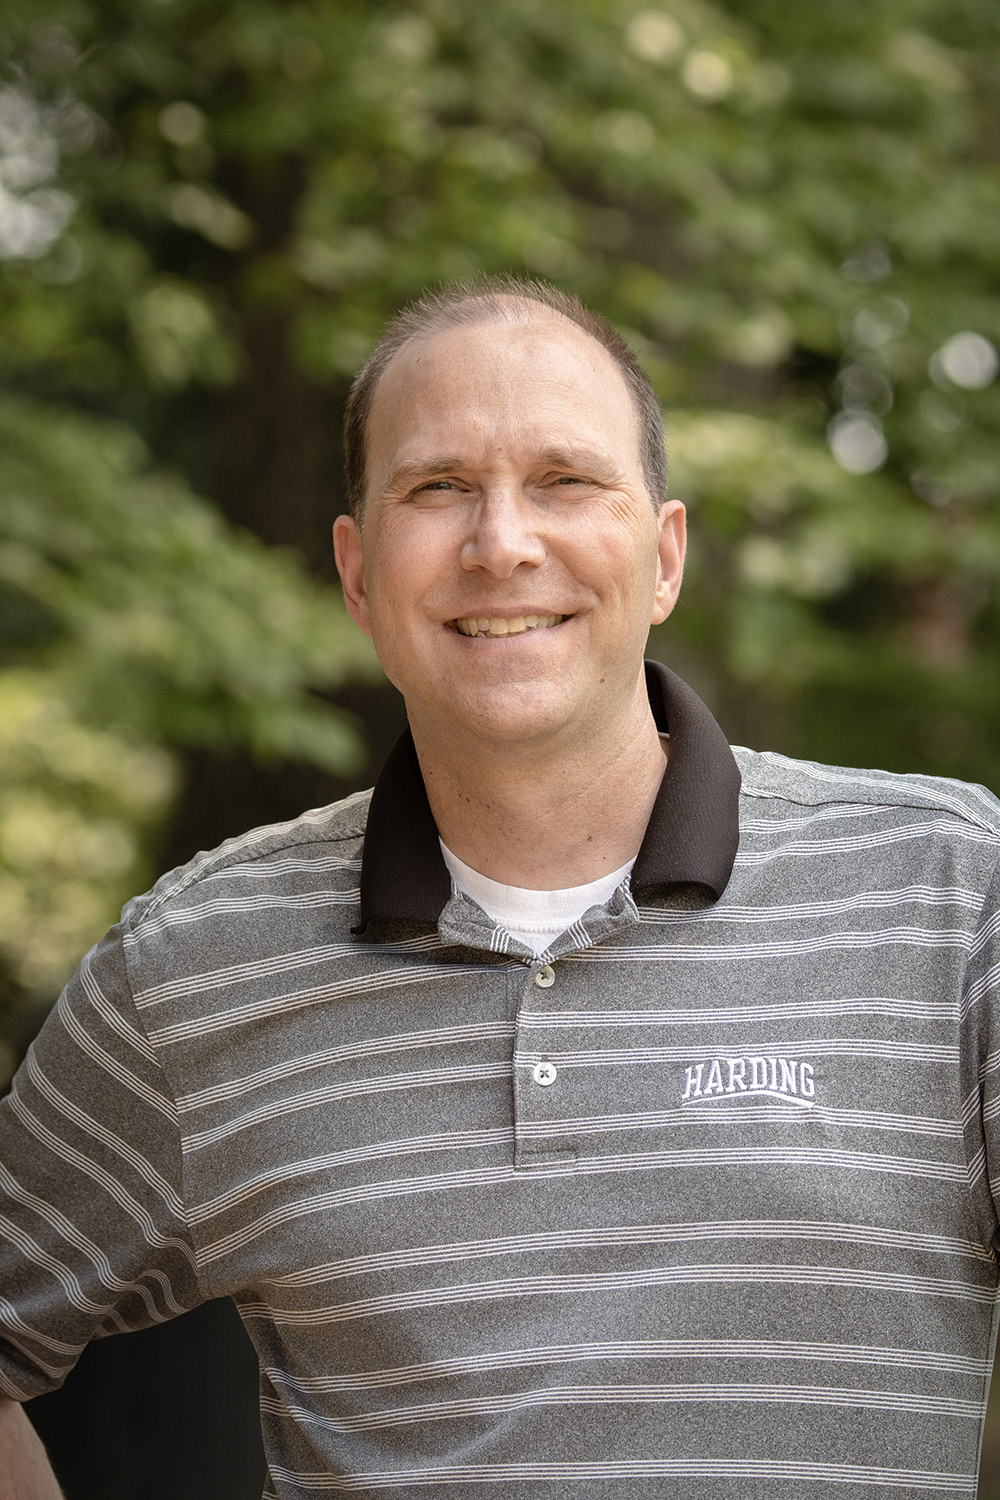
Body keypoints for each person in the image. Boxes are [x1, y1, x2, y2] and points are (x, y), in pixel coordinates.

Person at [2, 276, 1000, 1500]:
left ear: (665, 554)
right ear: (359, 572)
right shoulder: (194, 970)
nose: (502, 544)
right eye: (438, 489)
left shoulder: (951, 897)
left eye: (565, 481)